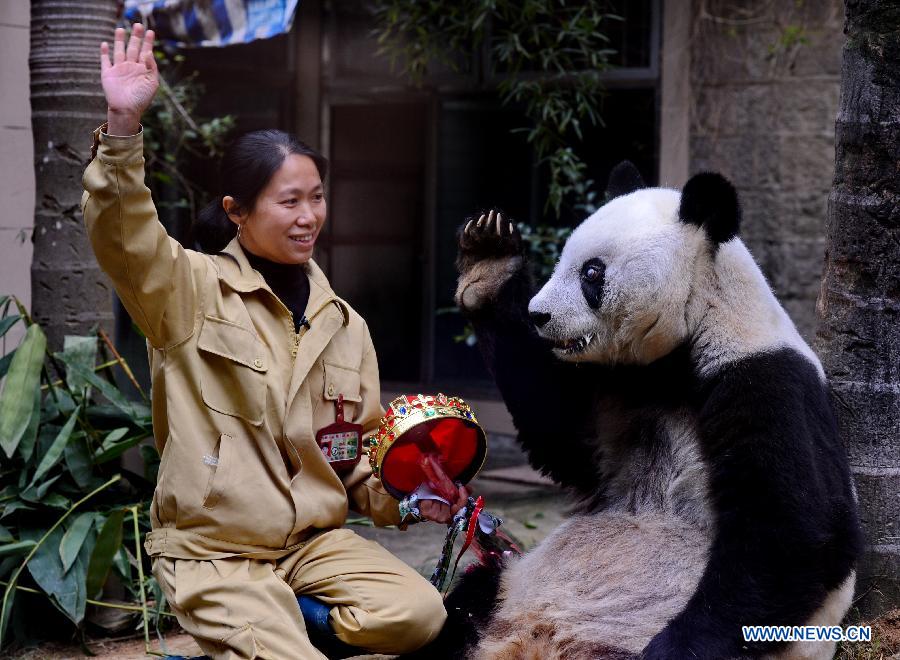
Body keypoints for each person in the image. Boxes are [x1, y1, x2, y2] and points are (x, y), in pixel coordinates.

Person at [83, 23, 467, 659]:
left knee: (419, 613)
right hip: (216, 551)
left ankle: (290, 626)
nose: (309, 216)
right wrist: (123, 128)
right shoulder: (188, 290)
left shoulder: (345, 325)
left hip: (311, 548)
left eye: (317, 198)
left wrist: (414, 494)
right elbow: (124, 236)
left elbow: (356, 463)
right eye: (289, 201)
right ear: (237, 210)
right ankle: (271, 635)